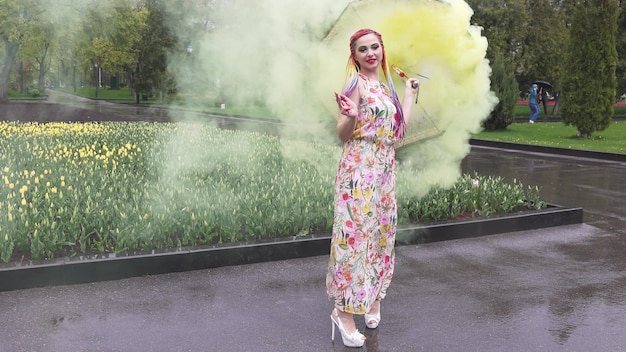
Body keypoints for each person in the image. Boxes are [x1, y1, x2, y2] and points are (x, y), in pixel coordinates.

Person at [327, 28, 419, 348]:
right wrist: (350, 117)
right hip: (358, 169)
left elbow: (398, 131)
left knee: (381, 235)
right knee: (354, 239)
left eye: (375, 47)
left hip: (383, 170)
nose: (370, 53)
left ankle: (373, 298)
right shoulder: (356, 84)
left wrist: (409, 94)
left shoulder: (384, 87)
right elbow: (343, 133)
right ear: (354, 56)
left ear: (382, 50)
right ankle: (343, 313)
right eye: (363, 49)